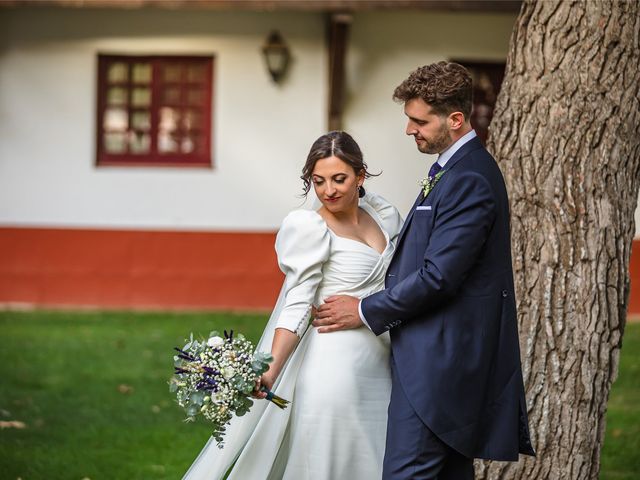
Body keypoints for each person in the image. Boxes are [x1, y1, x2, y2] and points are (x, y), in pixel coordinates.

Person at [314, 61, 536, 479]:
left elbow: (439, 276)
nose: (409, 130)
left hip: (439, 369)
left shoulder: (469, 177)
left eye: (419, 120)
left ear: (454, 120)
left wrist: (363, 310)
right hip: (437, 360)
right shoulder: (453, 170)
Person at [182, 131, 403, 480]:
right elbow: (297, 304)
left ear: (360, 176)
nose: (328, 190)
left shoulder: (385, 215)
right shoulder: (308, 228)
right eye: (318, 181)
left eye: (339, 179)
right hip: (334, 370)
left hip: (383, 363)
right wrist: (270, 370)